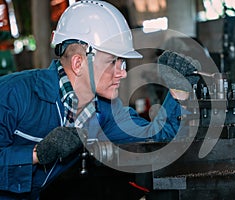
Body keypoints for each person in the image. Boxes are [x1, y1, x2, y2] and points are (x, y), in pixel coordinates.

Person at [0, 1, 201, 199]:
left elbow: (159, 138)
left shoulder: (106, 113)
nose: (122, 73)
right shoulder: (13, 94)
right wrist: (36, 154)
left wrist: (179, 91)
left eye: (123, 62)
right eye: (113, 62)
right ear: (79, 62)